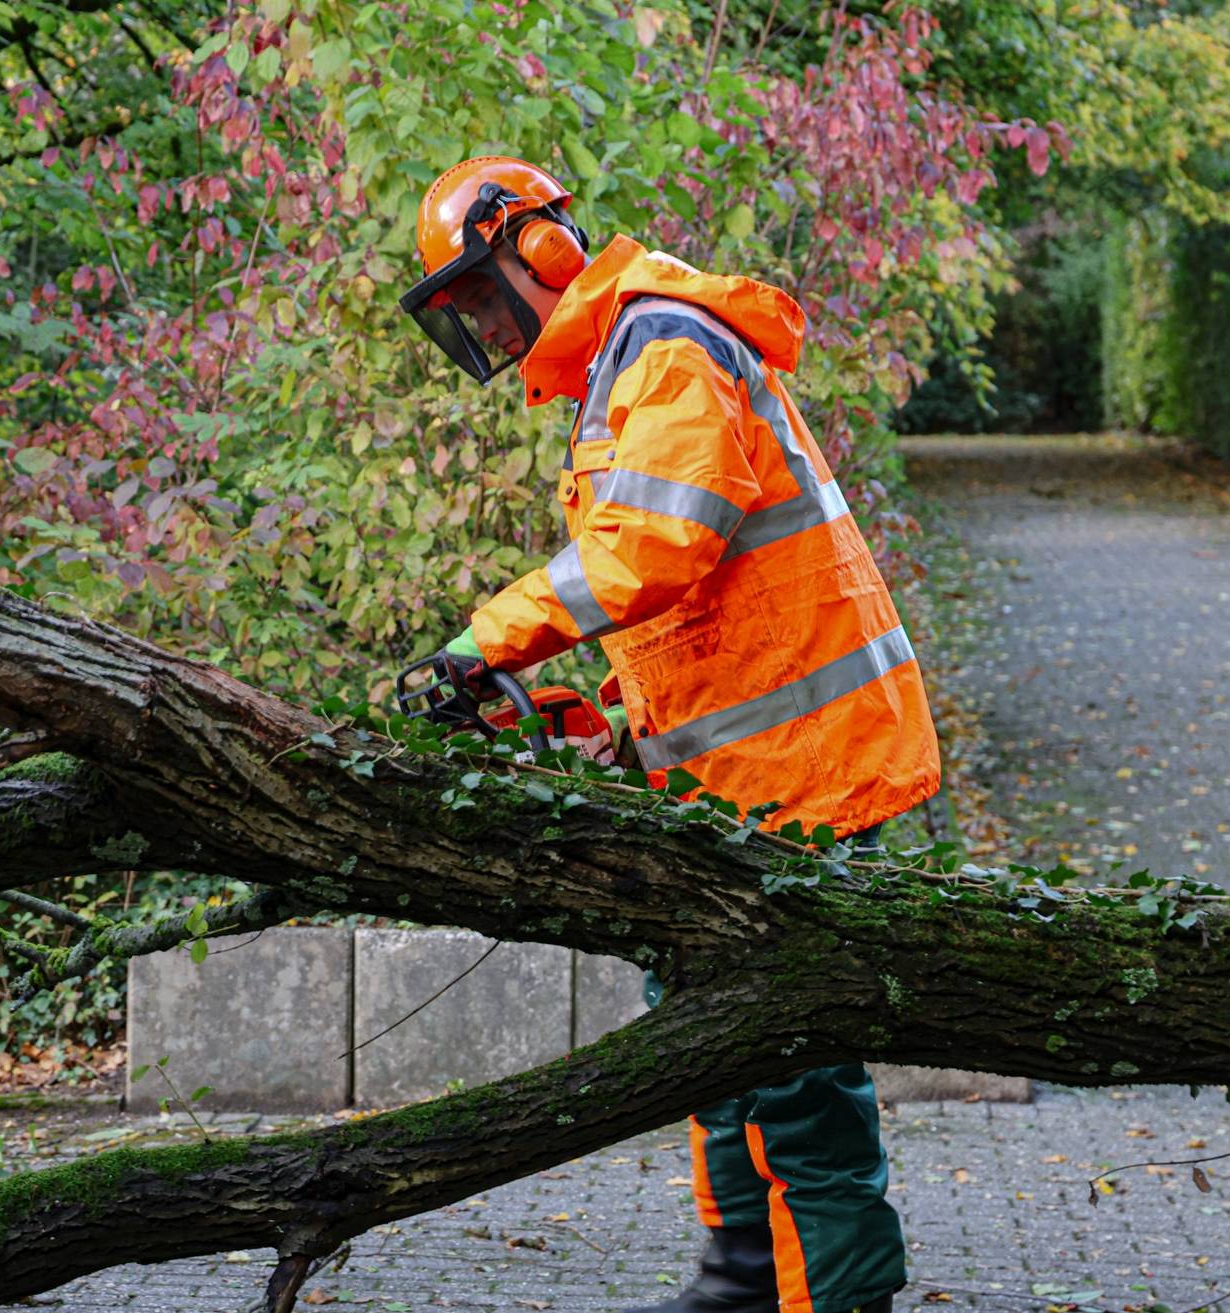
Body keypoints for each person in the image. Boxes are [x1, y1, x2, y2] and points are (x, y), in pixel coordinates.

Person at [399, 156, 942, 1313]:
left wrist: (483, 642)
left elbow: (655, 548)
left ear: (542, 248)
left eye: (489, 295)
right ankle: (742, 1277)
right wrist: (604, 733)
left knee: (793, 1064)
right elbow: (682, 618)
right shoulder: (616, 371)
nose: (489, 327)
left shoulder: (667, 348)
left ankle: (834, 1300)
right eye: (468, 316)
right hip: (731, 772)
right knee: (712, 1030)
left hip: (802, 768)